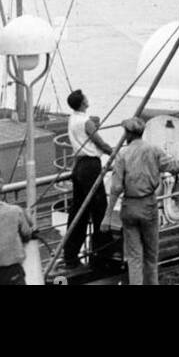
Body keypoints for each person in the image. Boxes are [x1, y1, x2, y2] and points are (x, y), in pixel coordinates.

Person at [106, 117, 179, 285]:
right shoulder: (154, 151)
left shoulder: (122, 155)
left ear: (127, 134)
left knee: (134, 258)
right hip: (149, 205)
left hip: (129, 206)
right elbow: (177, 167)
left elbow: (115, 189)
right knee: (151, 255)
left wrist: (107, 216)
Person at [63, 88, 113, 269]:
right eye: (85, 97)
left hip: (78, 167)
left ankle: (70, 255)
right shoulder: (85, 122)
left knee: (78, 211)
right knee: (100, 210)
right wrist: (116, 153)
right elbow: (100, 143)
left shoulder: (73, 119)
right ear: (83, 102)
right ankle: (102, 253)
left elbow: (86, 128)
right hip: (91, 166)